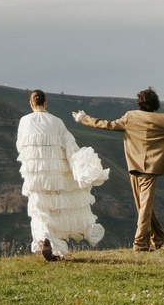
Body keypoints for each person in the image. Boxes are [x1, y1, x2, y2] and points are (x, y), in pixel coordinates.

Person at [74, 88, 164, 251]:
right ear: (156, 103)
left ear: (140, 103)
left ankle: (140, 243)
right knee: (143, 206)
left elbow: (106, 124)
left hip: (134, 166)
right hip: (151, 167)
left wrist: (84, 119)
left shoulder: (131, 117)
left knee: (143, 206)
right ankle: (157, 237)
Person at [14, 89, 108, 260]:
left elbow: (20, 146)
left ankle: (44, 240)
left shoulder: (24, 121)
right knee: (56, 210)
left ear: (31, 103)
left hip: (35, 176)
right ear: (45, 102)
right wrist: (81, 170)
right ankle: (53, 243)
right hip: (56, 176)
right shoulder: (57, 122)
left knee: (39, 210)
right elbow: (70, 148)